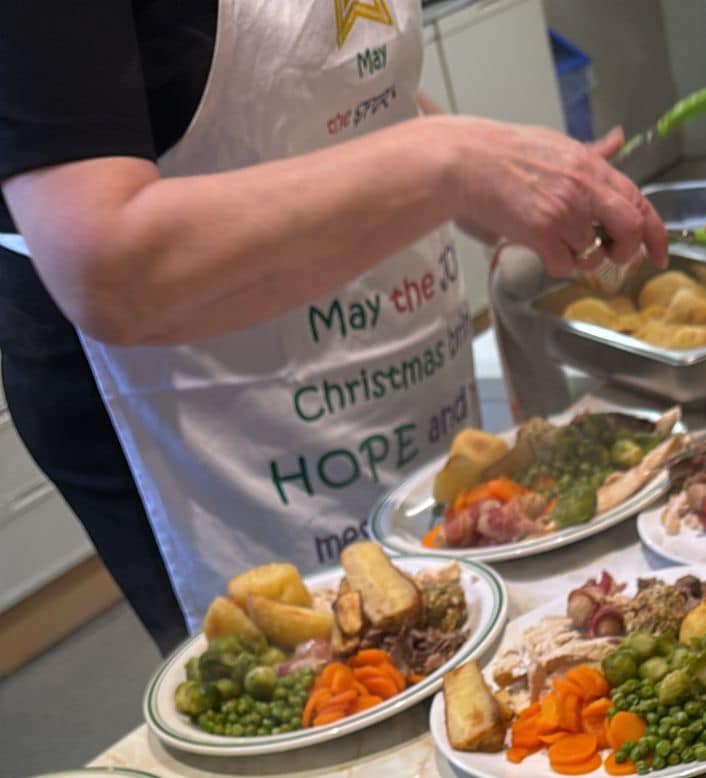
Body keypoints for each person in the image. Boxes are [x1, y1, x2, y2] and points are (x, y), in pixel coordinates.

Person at [0, 1, 666, 645]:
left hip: (387, 329)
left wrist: (493, 182)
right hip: (197, 400)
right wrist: (450, 162)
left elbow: (341, 75)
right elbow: (111, 270)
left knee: (451, 603)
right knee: (328, 676)